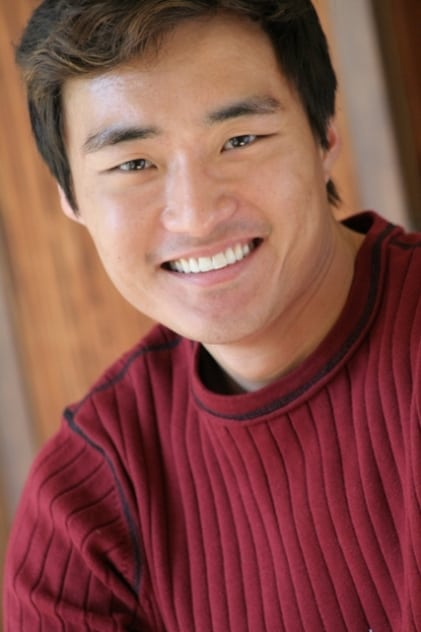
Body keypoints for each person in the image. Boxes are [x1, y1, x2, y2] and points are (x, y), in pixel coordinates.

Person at [3, 0, 420, 630]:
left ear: (324, 137)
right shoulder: (84, 502)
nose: (196, 216)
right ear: (73, 199)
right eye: (134, 164)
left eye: (240, 140)